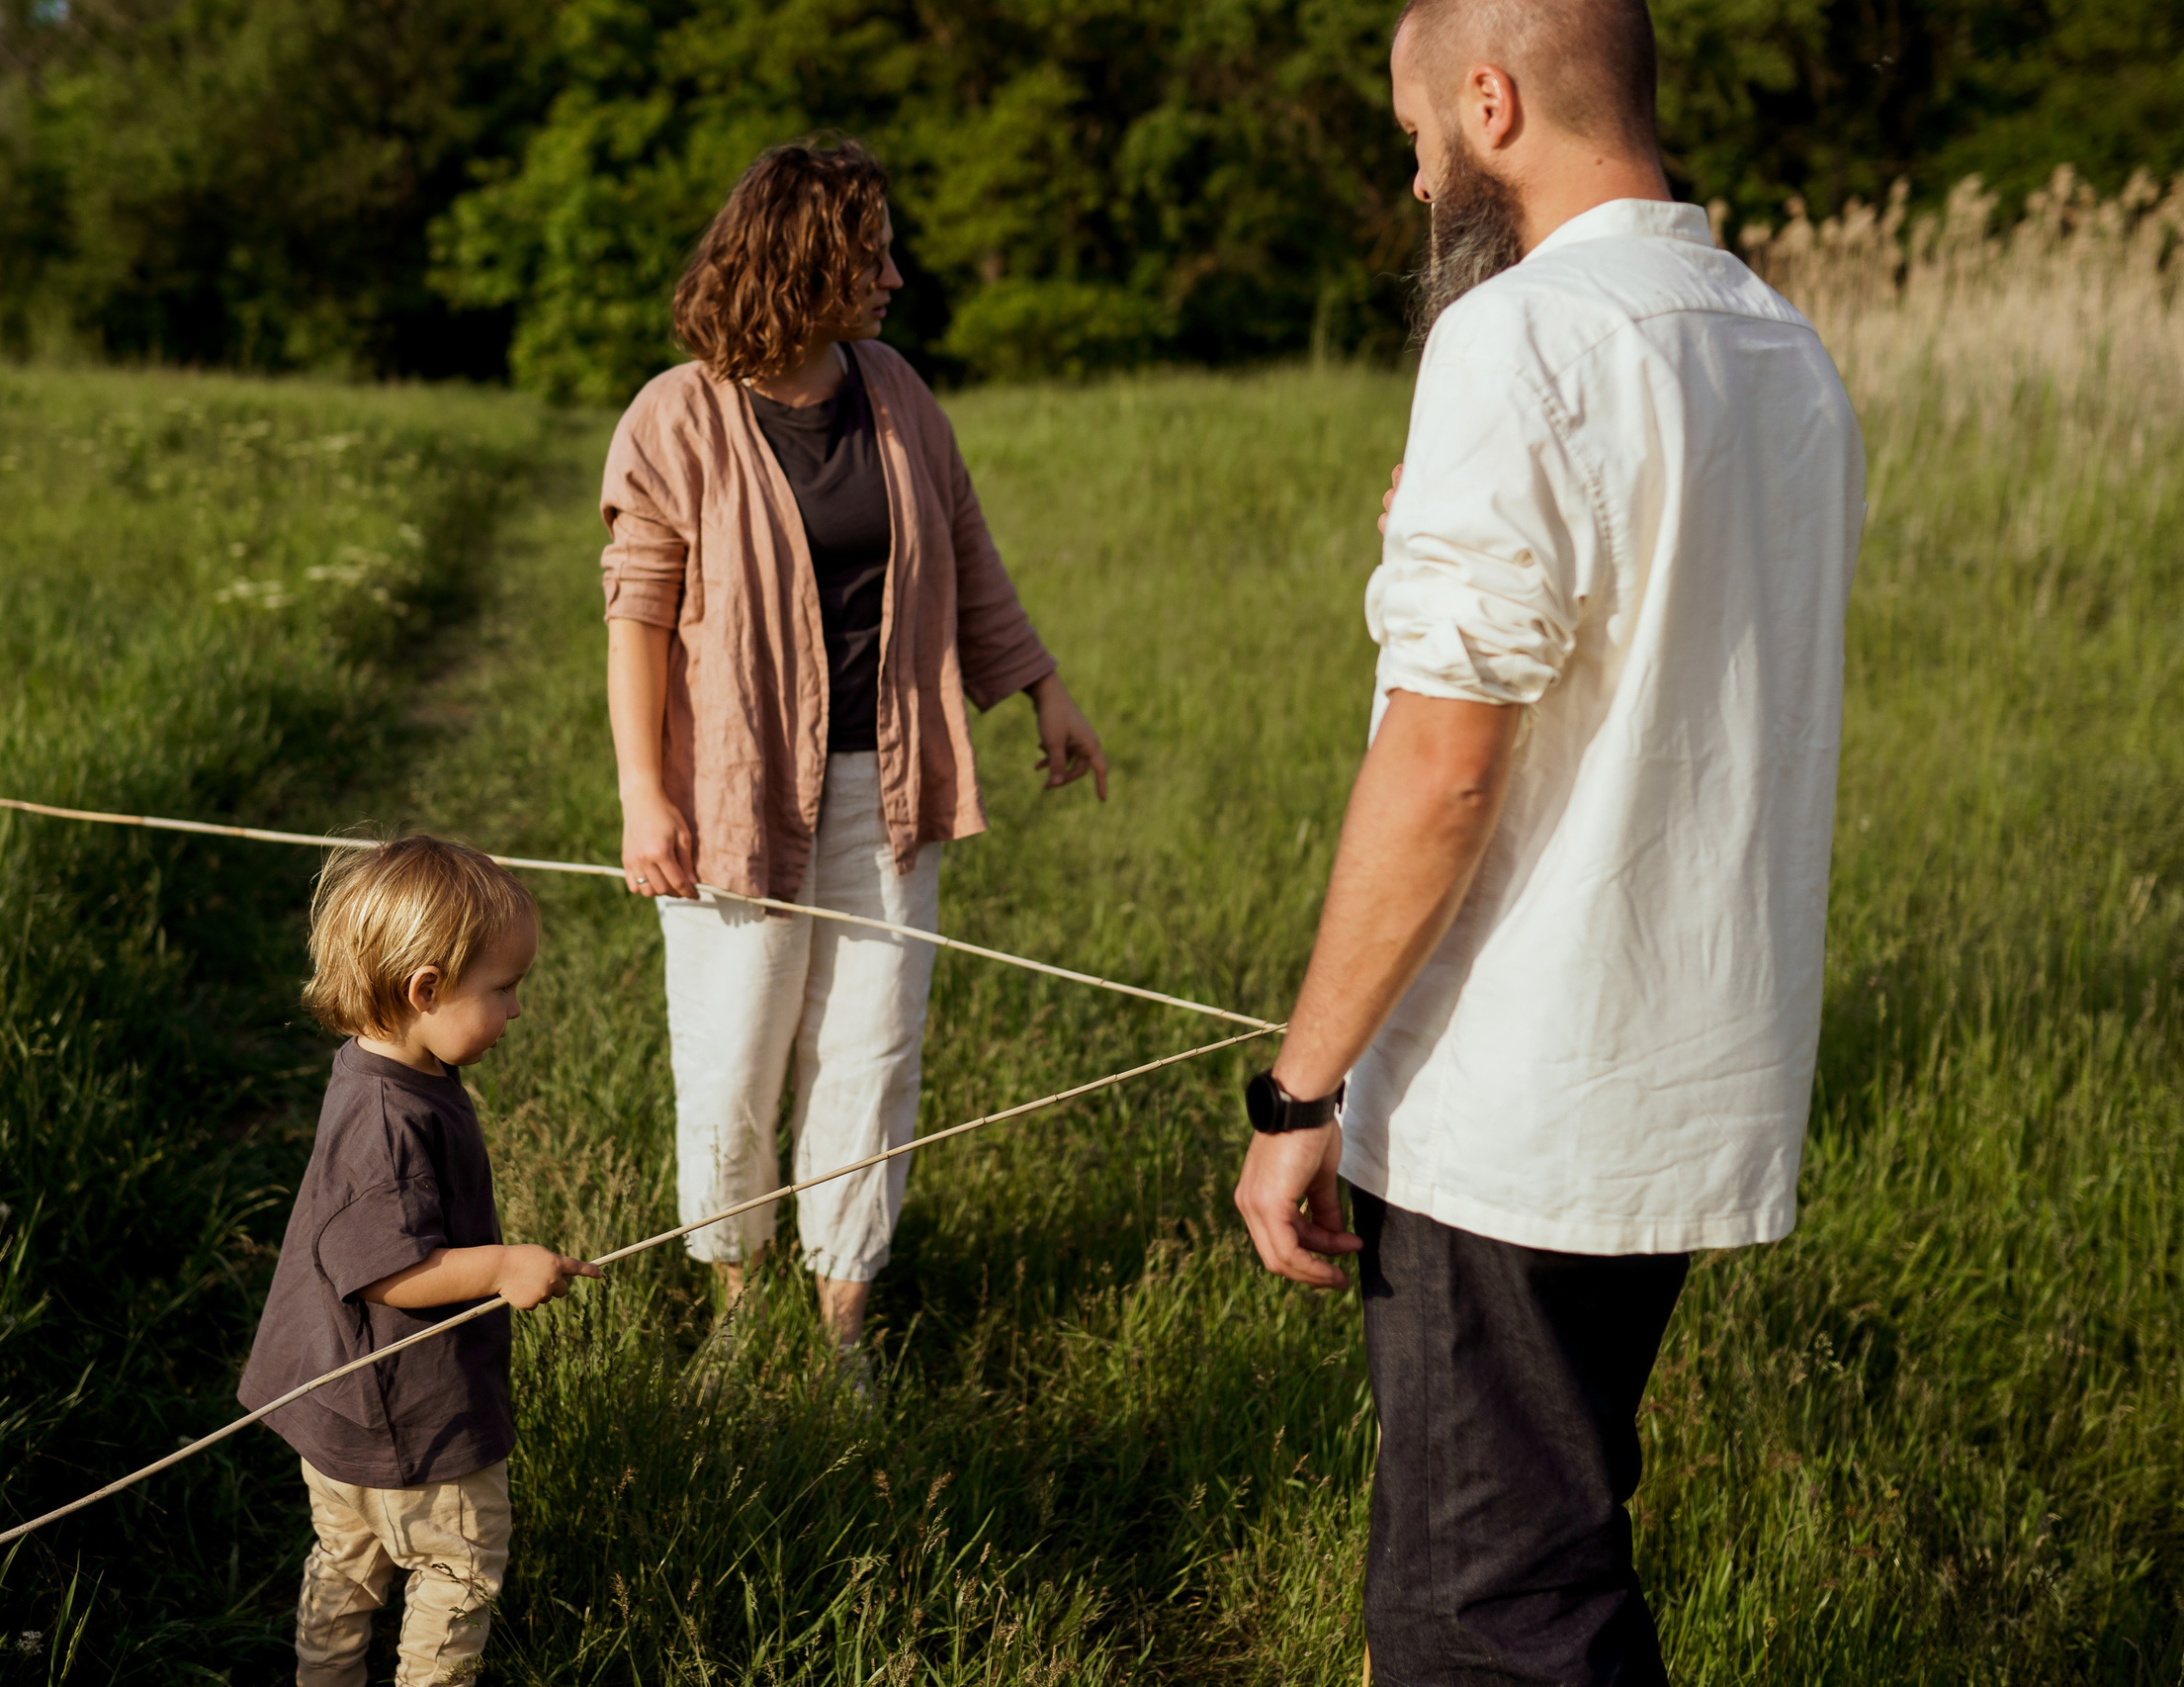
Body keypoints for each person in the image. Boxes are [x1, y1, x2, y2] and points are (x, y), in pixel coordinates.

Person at [1231, 1, 1864, 1681]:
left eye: (1419, 143)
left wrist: (1299, 1092)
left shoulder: (1517, 336)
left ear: (1492, 103)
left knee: (1480, 1619)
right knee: (1557, 1560)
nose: (1419, 181)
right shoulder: (1778, 345)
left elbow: (1445, 767)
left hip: (1515, 1106)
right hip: (1682, 1084)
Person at [598, 137, 1109, 1355]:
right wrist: (639, 794)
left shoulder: (895, 391)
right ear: (803, 264)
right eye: (870, 258)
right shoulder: (676, 417)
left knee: (870, 1052)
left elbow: (964, 542)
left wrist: (1039, 686)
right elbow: (638, 614)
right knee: (733, 1058)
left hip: (886, 780)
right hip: (728, 793)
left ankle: (843, 1324)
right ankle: (735, 1304)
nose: (892, 279)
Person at [238, 836, 602, 1687]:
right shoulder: (389, 1123)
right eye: (504, 989)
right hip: (413, 1423)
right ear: (425, 989)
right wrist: (504, 1265)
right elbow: (387, 1271)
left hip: (339, 1414)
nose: (518, 1010)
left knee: (347, 1562)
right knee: (458, 1568)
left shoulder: (374, 1071)